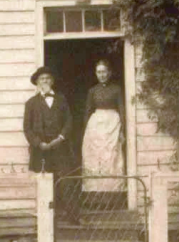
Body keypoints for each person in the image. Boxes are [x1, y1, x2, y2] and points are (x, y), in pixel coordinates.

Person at [22, 66, 80, 225]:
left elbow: (69, 121)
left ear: (52, 81)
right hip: (41, 151)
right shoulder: (31, 104)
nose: (45, 81)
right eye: (42, 79)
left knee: (66, 180)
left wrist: (60, 138)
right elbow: (27, 129)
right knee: (45, 183)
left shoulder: (61, 100)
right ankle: (47, 220)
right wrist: (39, 143)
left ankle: (72, 217)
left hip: (60, 148)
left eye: (48, 78)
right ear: (37, 83)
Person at [81, 59, 126, 211]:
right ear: (96, 74)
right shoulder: (92, 91)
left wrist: (122, 130)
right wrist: (87, 132)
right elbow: (87, 111)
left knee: (111, 159)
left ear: (109, 73)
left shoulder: (116, 89)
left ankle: (113, 200)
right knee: (95, 160)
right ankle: (95, 199)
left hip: (112, 124)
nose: (102, 75)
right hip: (96, 127)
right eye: (99, 72)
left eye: (104, 71)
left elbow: (121, 109)